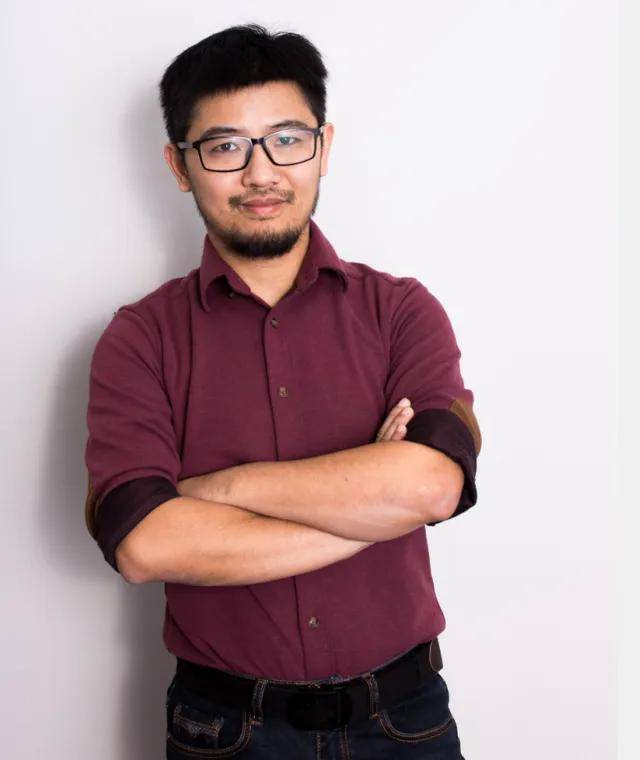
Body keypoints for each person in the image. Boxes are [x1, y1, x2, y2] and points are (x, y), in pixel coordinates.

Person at [83, 23, 481, 759]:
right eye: (225, 147)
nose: (261, 173)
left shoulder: (401, 310)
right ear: (179, 165)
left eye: (287, 140)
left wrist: (218, 490)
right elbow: (144, 543)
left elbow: (432, 486)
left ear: (323, 148)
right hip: (225, 730)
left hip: (405, 721)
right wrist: (372, 509)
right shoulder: (139, 339)